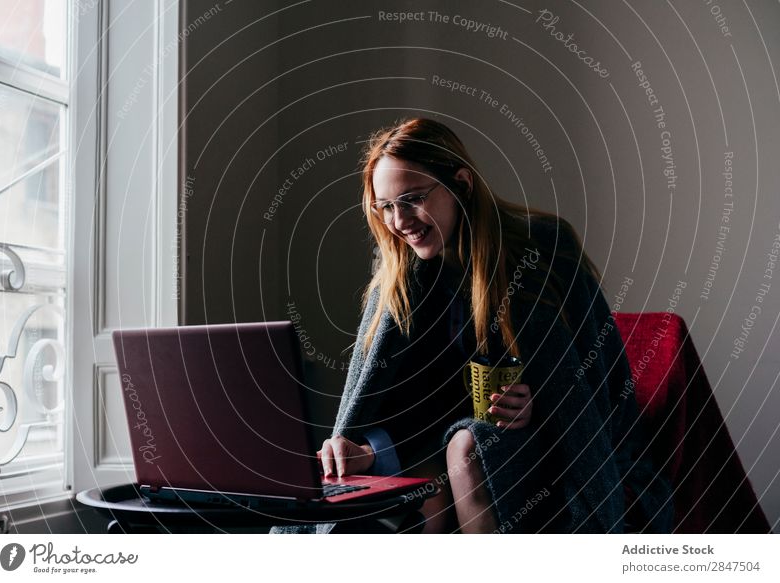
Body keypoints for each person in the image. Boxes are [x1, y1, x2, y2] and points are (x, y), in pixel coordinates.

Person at [271, 118, 673, 534]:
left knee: (467, 448)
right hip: (442, 449)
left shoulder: (544, 248)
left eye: (411, 199)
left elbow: (595, 383)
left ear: (461, 183)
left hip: (546, 449)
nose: (399, 221)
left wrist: (535, 401)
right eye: (385, 206)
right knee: (440, 474)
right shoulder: (399, 282)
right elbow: (416, 406)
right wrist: (366, 451)